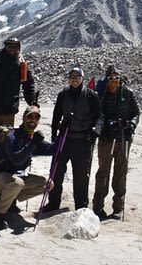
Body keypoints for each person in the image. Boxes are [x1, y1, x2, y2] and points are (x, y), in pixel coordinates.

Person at [0, 105, 56, 229]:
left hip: (15, 178)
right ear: (24, 118)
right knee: (17, 183)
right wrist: (33, 144)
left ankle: (10, 201)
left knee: (48, 184)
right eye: (30, 117)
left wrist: (64, 131)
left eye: (36, 117)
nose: (33, 120)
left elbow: (52, 149)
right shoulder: (12, 137)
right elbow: (17, 160)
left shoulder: (32, 138)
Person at [44, 66, 103, 212]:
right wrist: (53, 136)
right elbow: (56, 115)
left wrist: (96, 130)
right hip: (64, 139)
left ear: (82, 78)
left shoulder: (91, 95)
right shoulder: (63, 94)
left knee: (81, 177)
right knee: (56, 173)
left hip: (83, 141)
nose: (74, 79)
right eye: (72, 76)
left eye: (77, 76)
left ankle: (81, 206)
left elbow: (100, 116)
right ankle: (53, 204)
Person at [92, 65, 140, 220]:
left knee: (120, 174)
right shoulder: (102, 94)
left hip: (124, 139)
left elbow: (136, 113)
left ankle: (118, 208)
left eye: (117, 78)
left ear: (120, 79)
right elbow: (96, 114)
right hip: (106, 139)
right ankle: (98, 207)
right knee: (103, 173)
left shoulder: (128, 93)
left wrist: (132, 125)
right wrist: (106, 125)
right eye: (111, 78)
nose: (114, 81)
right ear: (107, 79)